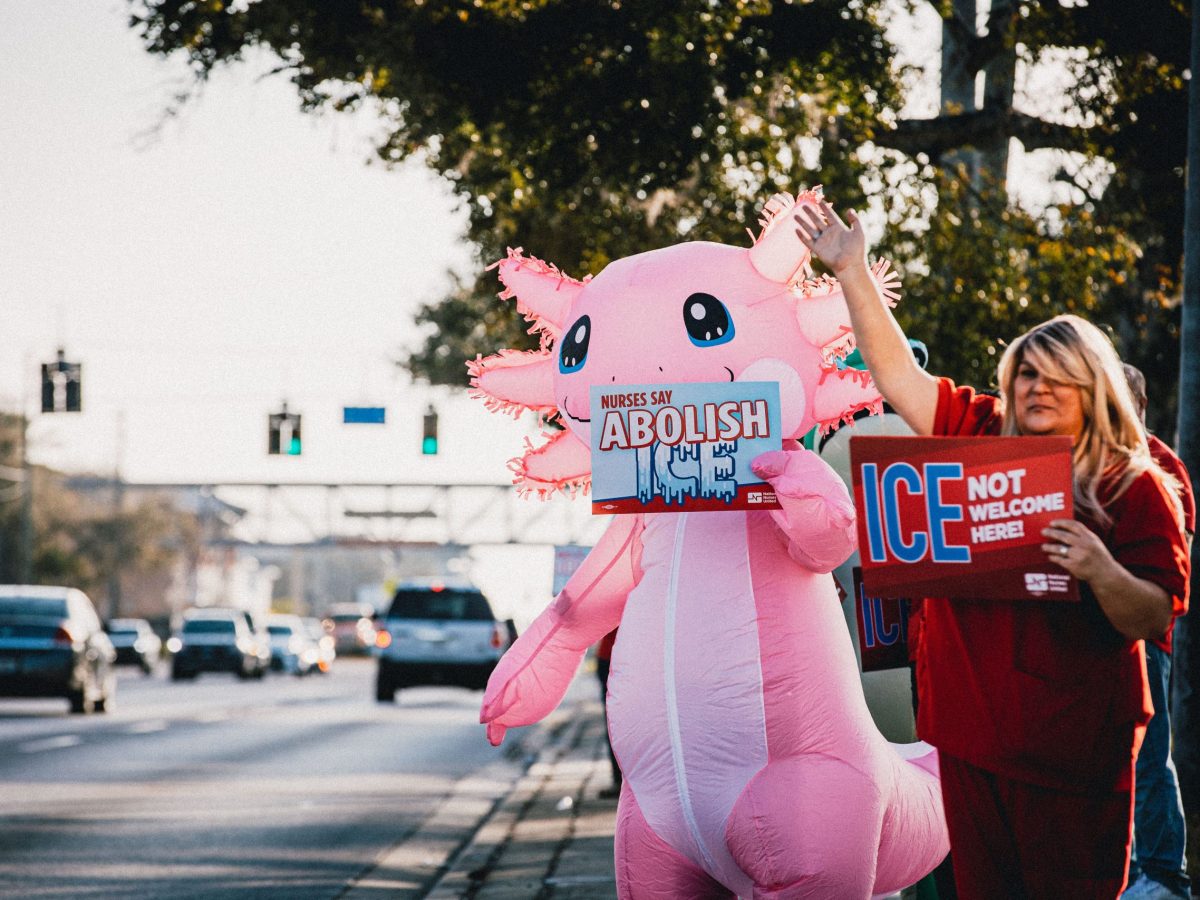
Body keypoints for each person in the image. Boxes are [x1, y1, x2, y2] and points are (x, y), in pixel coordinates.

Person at [795, 199, 1191, 899]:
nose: (1035, 388)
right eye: (1025, 374)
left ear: (1092, 386)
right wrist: (853, 271)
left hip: (1073, 755)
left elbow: (1154, 617)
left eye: (1054, 375)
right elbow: (896, 378)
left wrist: (1100, 570)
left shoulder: (1133, 482)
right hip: (970, 739)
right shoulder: (979, 438)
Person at [1122, 364, 1195, 900]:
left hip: (1148, 637)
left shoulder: (1161, 464)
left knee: (1150, 756)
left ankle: (1164, 872)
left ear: (1140, 406)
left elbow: (1176, 554)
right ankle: (1131, 869)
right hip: (1103, 635)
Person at [595, 628, 623, 799]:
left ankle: (621, 781)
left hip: (616, 655)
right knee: (616, 723)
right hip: (614, 656)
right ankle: (620, 780)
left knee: (617, 722)